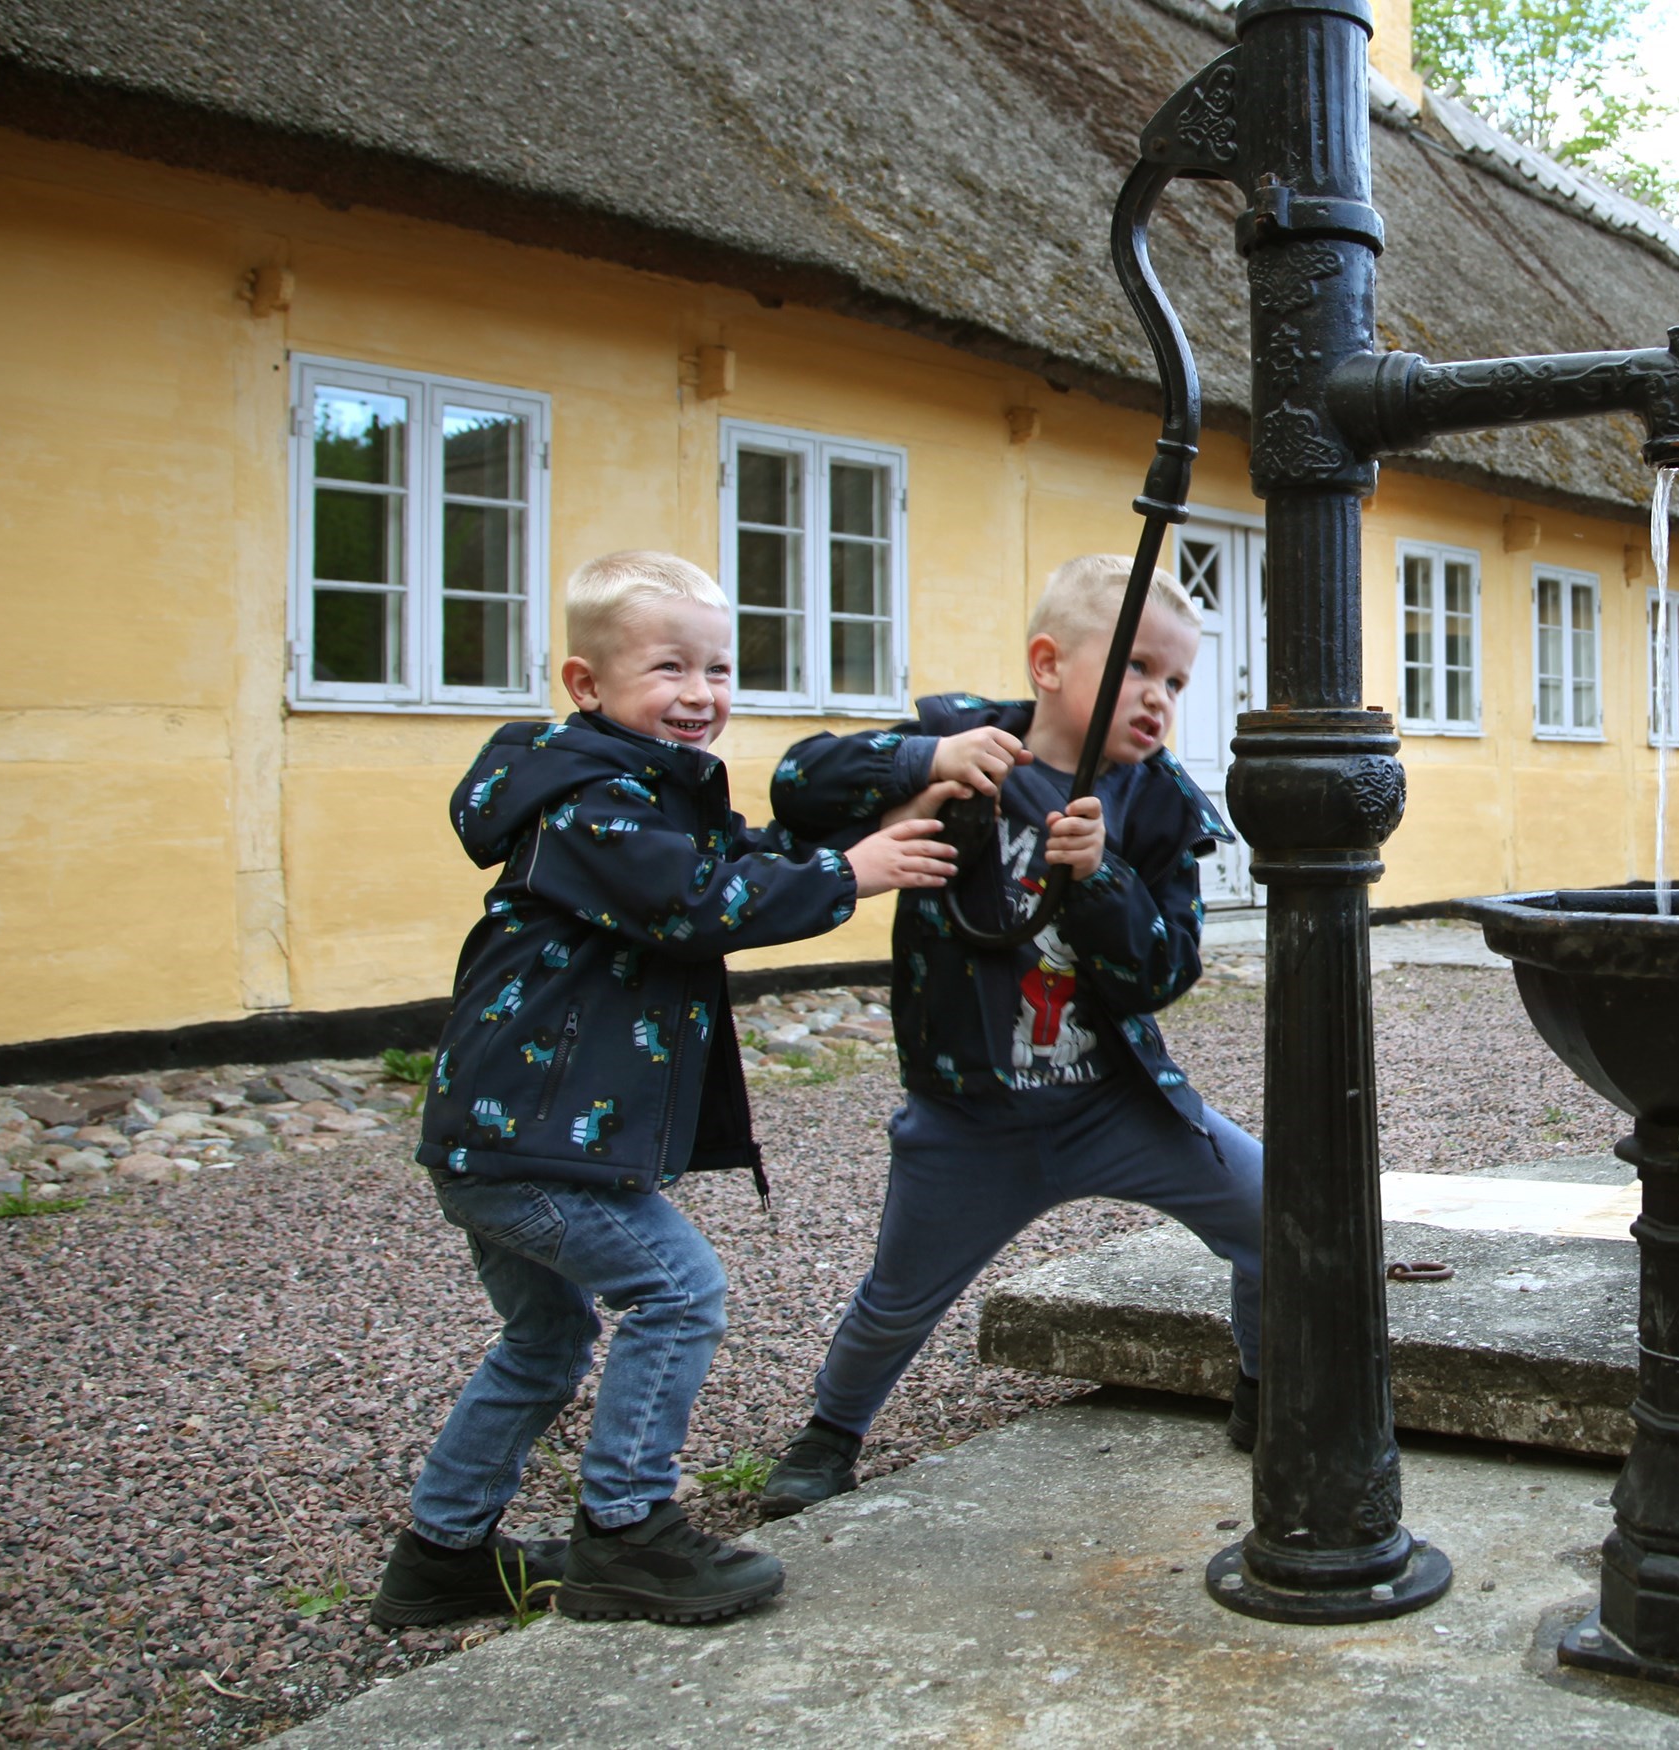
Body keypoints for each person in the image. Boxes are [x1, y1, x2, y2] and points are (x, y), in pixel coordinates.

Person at [369, 550, 956, 1630]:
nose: (701, 693)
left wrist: (864, 832)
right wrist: (849, 876)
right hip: (529, 1142)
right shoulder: (592, 801)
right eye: (669, 668)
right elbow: (697, 902)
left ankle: (439, 1556)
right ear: (585, 685)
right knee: (678, 1291)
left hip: (505, 1138)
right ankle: (627, 1530)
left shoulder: (644, 790)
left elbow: (748, 855)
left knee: (546, 1342)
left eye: (720, 667)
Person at [749, 554, 1263, 1519]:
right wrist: (920, 766)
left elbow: (1167, 974)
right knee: (898, 1296)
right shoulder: (960, 744)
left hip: (1117, 1103)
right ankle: (830, 1432)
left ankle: (1267, 1385)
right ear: (1048, 663)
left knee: (1280, 1219)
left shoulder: (1159, 808)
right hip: (971, 1112)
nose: (1158, 698)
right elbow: (795, 783)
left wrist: (1106, 879)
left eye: (1177, 681)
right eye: (1138, 668)